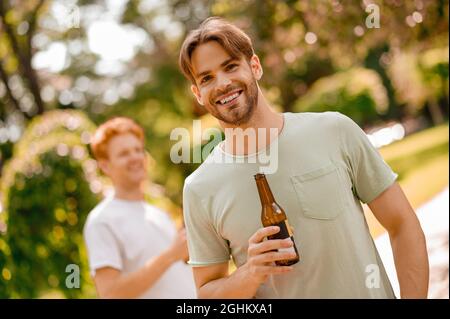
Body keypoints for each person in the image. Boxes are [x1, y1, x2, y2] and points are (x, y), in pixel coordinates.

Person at [178, 17, 429, 298]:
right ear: (198, 94)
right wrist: (249, 274)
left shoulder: (334, 130)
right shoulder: (199, 189)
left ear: (255, 66)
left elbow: (402, 224)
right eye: (207, 78)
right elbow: (207, 293)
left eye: (230, 66)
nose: (222, 83)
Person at [83, 117, 196, 298]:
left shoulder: (159, 214)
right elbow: (110, 293)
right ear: (105, 165)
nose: (135, 157)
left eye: (138, 150)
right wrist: (171, 255)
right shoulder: (101, 220)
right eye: (124, 153)